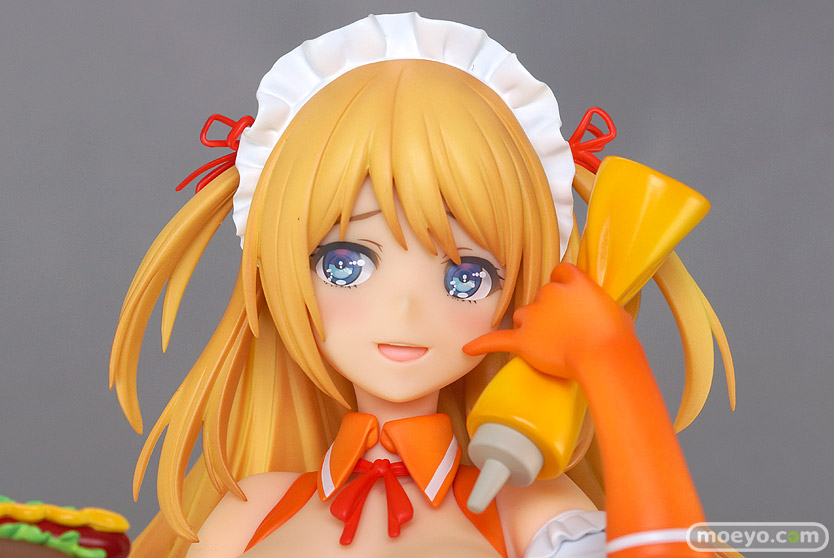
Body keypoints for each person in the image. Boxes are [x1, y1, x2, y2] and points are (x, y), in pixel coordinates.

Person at [111, 13, 736, 558]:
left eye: (466, 277)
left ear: (515, 298)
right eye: (346, 264)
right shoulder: (256, 507)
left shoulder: (518, 506)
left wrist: (612, 364)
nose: (406, 310)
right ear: (280, 274)